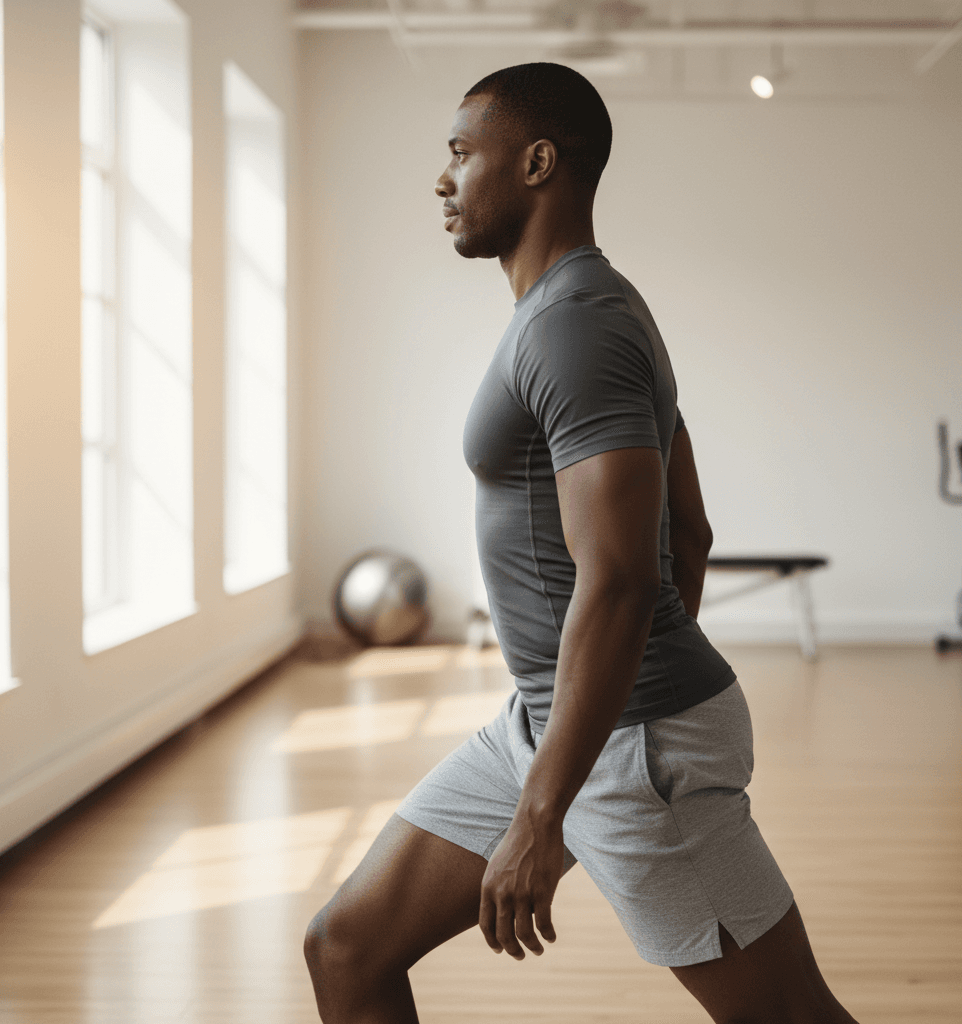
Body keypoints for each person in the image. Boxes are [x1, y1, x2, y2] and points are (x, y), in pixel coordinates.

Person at [305, 62, 860, 1024]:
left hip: (638, 742)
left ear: (537, 162)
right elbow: (689, 531)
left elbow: (619, 581)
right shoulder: (573, 311)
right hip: (556, 725)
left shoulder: (578, 326)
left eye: (459, 154)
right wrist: (560, 749)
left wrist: (550, 803)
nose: (442, 180)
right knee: (347, 946)